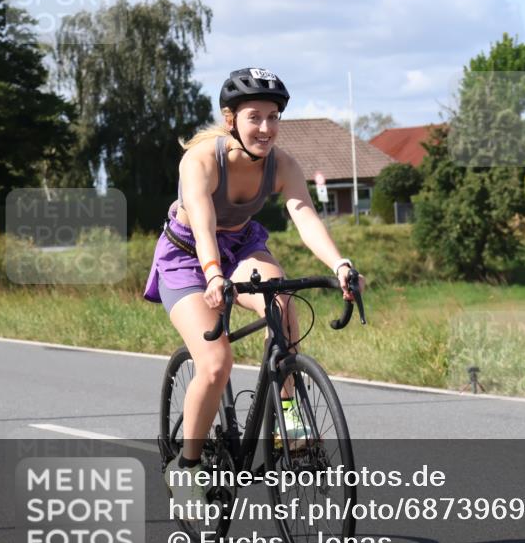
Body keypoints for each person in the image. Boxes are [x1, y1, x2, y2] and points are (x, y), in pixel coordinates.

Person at [143, 68, 363, 515]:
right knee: (216, 361)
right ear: (231, 120)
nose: (266, 128)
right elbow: (203, 223)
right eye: (254, 117)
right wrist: (213, 275)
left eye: (273, 117)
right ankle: (185, 467)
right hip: (188, 256)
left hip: (242, 246)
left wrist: (339, 264)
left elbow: (304, 214)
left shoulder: (282, 164)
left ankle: (290, 421)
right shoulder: (202, 160)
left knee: (280, 300)